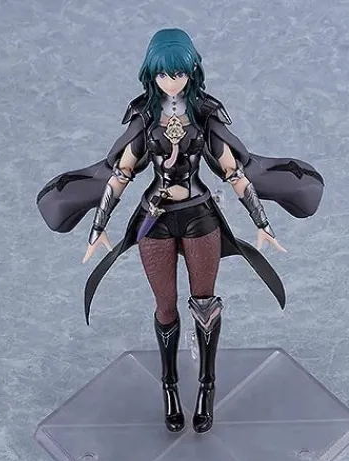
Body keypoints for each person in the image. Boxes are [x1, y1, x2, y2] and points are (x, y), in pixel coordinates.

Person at [37, 28, 324, 433]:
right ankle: (169, 387)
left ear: (191, 71)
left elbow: (233, 172)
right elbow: (121, 174)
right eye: (162, 74)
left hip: (198, 215)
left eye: (178, 73)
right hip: (154, 219)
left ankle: (207, 388)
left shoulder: (205, 114)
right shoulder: (143, 116)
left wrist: (261, 221)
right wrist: (98, 225)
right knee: (166, 308)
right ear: (151, 74)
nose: (171, 81)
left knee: (205, 305)